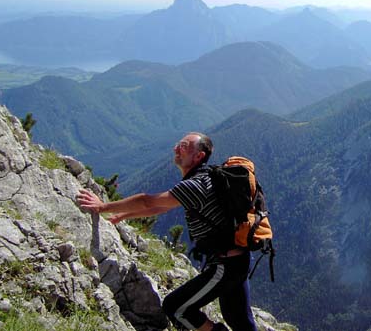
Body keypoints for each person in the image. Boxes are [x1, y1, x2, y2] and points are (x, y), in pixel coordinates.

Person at [76, 132, 258, 331]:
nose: (176, 148)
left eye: (184, 146)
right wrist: (125, 215)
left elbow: (148, 200)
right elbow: (162, 206)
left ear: (198, 157)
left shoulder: (194, 185)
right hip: (239, 260)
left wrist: (103, 207)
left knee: (176, 307)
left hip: (226, 265)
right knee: (241, 323)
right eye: (178, 144)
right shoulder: (205, 178)